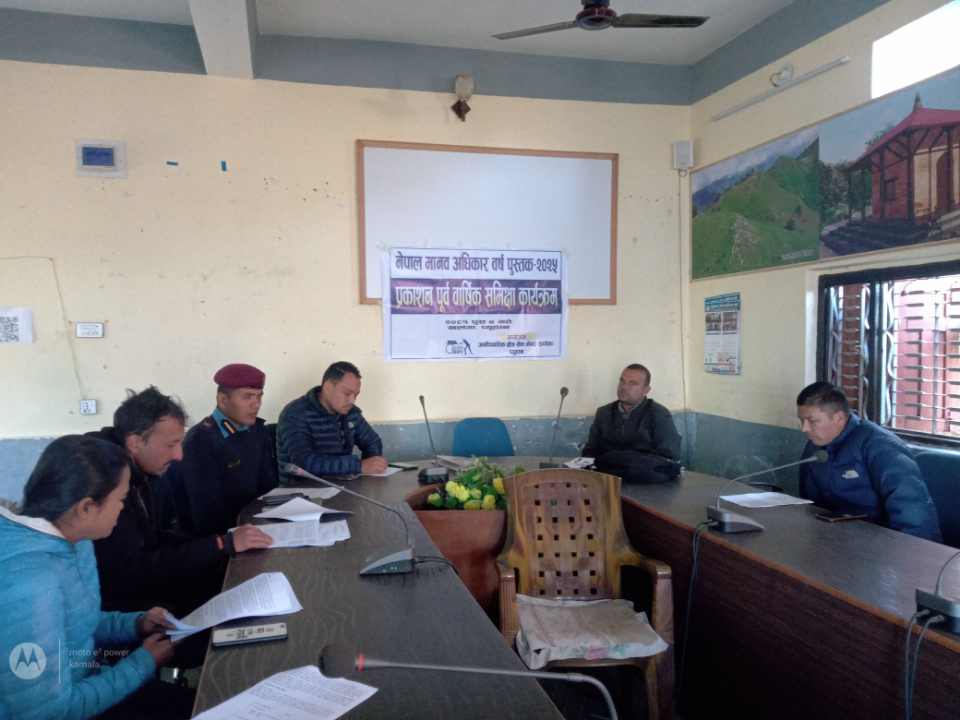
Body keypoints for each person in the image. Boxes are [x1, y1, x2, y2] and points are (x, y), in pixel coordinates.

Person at [0, 435, 193, 720]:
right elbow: (48, 712)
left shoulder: (75, 539)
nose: (123, 508)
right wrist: (142, 664)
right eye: (122, 499)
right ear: (86, 508)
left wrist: (136, 624)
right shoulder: (28, 585)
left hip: (88, 678)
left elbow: (76, 623)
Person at [90, 387, 272, 618]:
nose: (179, 455)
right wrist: (220, 544)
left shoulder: (139, 469)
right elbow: (136, 569)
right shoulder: (103, 483)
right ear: (135, 443)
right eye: (171, 445)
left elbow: (154, 540)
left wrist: (222, 542)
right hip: (125, 610)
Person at [797, 381, 941, 542]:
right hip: (836, 537)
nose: (804, 428)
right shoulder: (816, 446)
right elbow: (812, 505)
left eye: (812, 421)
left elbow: (912, 510)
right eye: (802, 420)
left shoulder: (879, 445)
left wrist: (913, 552)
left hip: (881, 541)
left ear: (839, 418)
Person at [178, 364, 279, 535]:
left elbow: (267, 488)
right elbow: (206, 514)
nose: (256, 405)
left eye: (259, 396)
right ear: (223, 400)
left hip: (258, 526)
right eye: (247, 397)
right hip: (223, 537)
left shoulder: (257, 431)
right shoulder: (200, 441)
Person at [277, 361, 387, 477]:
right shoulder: (295, 413)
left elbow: (372, 441)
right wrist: (358, 466)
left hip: (342, 484)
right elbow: (304, 462)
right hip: (302, 486)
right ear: (328, 387)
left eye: (356, 395)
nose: (352, 400)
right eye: (347, 393)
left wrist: (373, 465)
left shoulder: (350, 412)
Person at [583, 363, 682, 483]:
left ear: (646, 390)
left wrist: (628, 460)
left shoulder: (658, 414)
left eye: (632, 383)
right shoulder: (604, 412)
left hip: (647, 483)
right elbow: (590, 451)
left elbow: (669, 456)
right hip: (608, 480)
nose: (624, 387)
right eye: (622, 381)